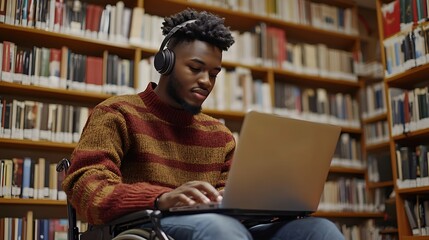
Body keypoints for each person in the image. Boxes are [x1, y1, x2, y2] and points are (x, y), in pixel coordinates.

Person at [62, 9, 345, 240]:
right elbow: (86, 188)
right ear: (165, 63)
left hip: (222, 227)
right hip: (146, 225)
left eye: (214, 74)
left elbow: (232, 202)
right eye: (195, 69)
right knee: (220, 228)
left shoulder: (220, 135)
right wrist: (162, 198)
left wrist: (267, 204)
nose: (206, 82)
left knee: (318, 231)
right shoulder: (117, 113)